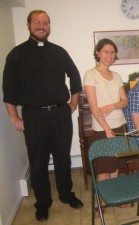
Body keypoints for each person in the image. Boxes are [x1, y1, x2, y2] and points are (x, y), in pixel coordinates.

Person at [2, 10, 83, 221]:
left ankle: (66, 194)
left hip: (60, 115)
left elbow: (75, 77)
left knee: (63, 159)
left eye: (45, 23)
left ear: (49, 26)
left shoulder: (59, 51)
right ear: (28, 25)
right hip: (33, 117)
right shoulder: (16, 54)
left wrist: (72, 103)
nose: (41, 26)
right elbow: (8, 89)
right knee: (37, 163)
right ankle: (43, 203)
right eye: (37, 22)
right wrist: (14, 118)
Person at [83, 38, 128, 212]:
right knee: (104, 166)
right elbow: (94, 107)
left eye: (112, 52)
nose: (110, 55)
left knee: (115, 165)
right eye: (106, 52)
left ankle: (115, 196)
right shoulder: (90, 74)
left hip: (119, 124)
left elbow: (124, 101)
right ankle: (104, 200)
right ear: (98, 53)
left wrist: (111, 106)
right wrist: (107, 129)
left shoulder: (116, 76)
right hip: (103, 128)